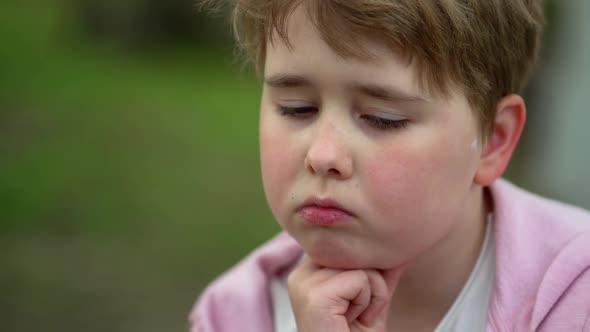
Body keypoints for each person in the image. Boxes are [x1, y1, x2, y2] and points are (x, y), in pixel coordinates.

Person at [191, 1, 590, 331]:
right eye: (297, 108)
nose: (324, 155)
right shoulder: (231, 315)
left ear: (492, 140)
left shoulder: (572, 298)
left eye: (383, 118)